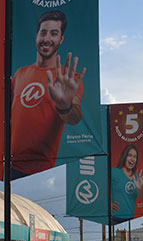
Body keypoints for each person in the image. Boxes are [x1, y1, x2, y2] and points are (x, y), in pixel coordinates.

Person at [10, 10, 86, 179]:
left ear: (61, 39)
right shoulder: (20, 73)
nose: (47, 39)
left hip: (42, 174)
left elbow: (74, 117)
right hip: (8, 167)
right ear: (36, 36)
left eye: (54, 33)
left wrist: (65, 106)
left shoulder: (69, 79)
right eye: (43, 32)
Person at [111, 144, 143, 222]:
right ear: (124, 157)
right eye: (129, 155)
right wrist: (107, 204)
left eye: (135, 157)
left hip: (131, 218)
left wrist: (140, 189)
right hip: (115, 217)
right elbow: (102, 188)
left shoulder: (137, 177)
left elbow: (141, 198)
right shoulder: (114, 172)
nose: (132, 159)